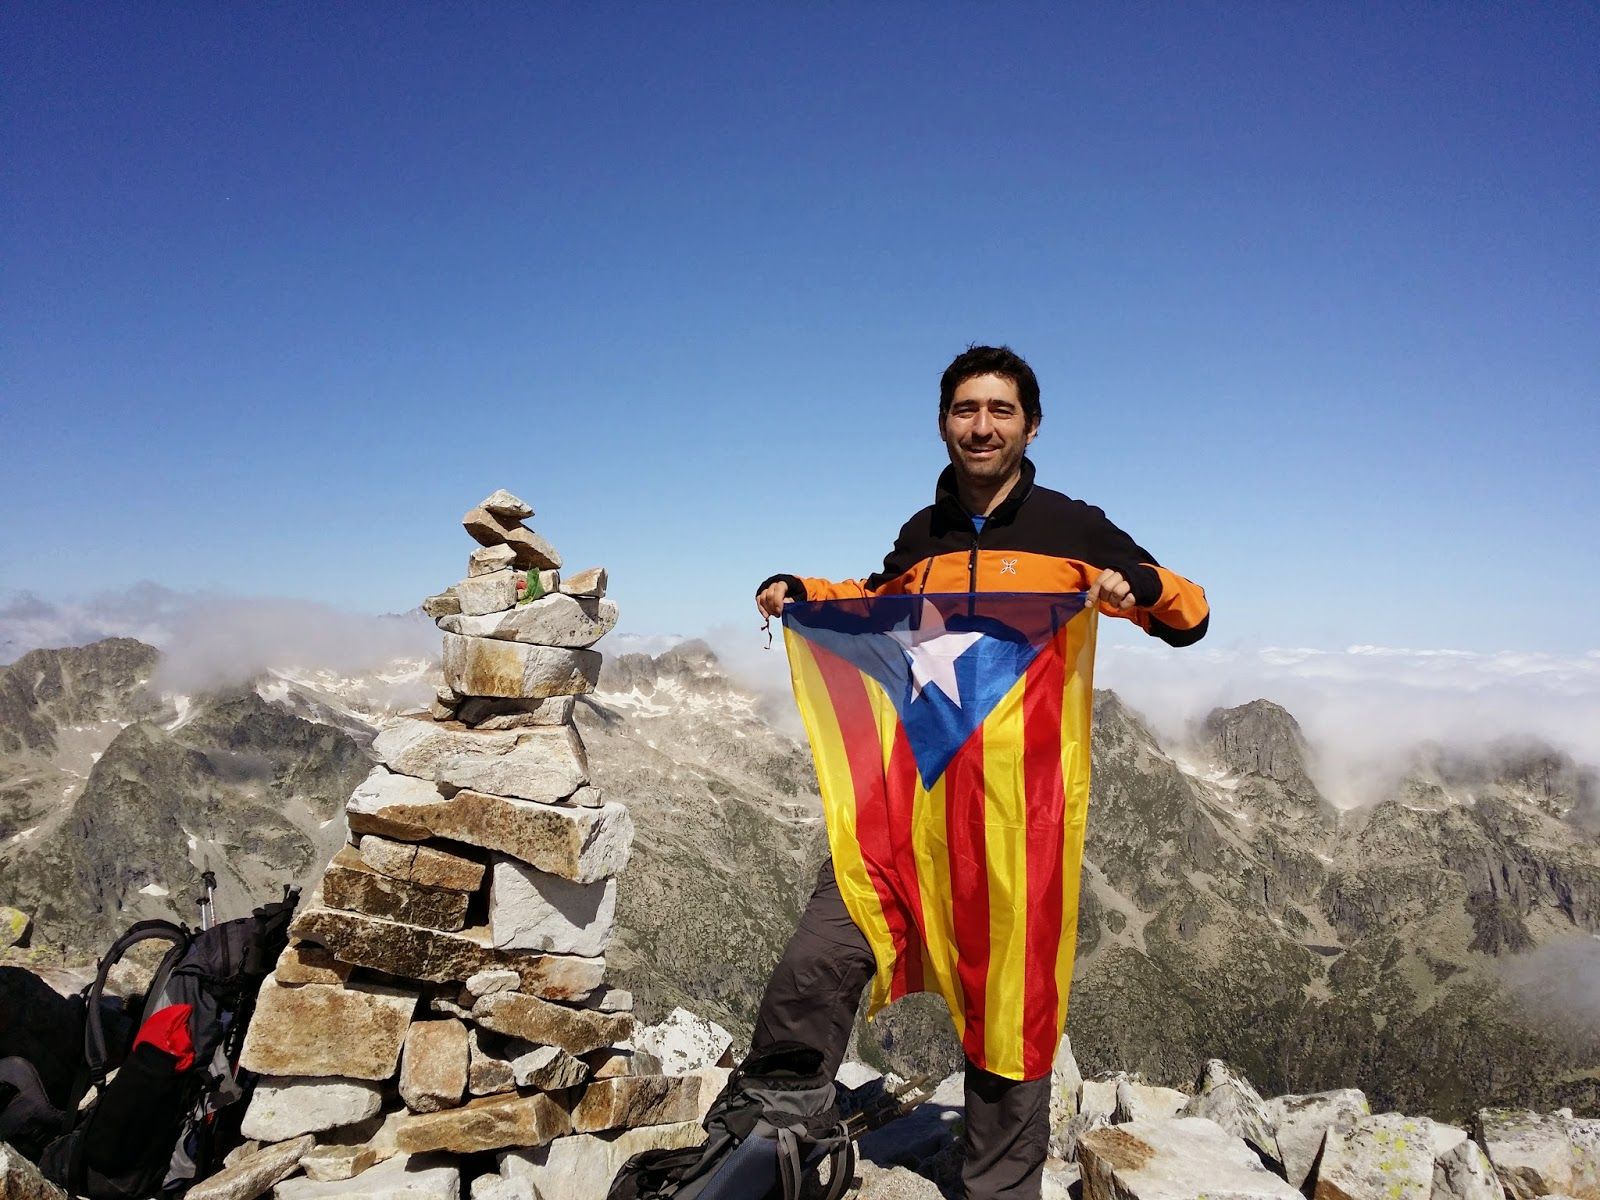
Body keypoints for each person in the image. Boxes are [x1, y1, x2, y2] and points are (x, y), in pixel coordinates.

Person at [751, 345, 1209, 1200]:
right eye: (966, 409)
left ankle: (998, 1189)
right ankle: (764, 1142)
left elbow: (1190, 613)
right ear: (942, 424)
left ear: (1031, 426)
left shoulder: (1073, 527)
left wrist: (1136, 583)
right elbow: (872, 602)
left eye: (1000, 410)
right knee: (825, 946)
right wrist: (800, 588)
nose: (982, 425)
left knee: (1010, 1001)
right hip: (912, 799)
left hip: (1016, 812)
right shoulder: (921, 535)